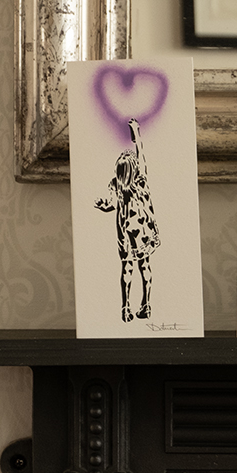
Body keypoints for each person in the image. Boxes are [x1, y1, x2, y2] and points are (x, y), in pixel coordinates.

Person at [95, 118, 160, 323]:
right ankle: (146, 305)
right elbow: (140, 150)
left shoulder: (116, 184)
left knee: (127, 267)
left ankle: (125, 308)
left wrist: (102, 206)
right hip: (143, 230)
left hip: (126, 231)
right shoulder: (141, 180)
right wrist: (136, 133)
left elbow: (110, 205)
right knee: (145, 265)